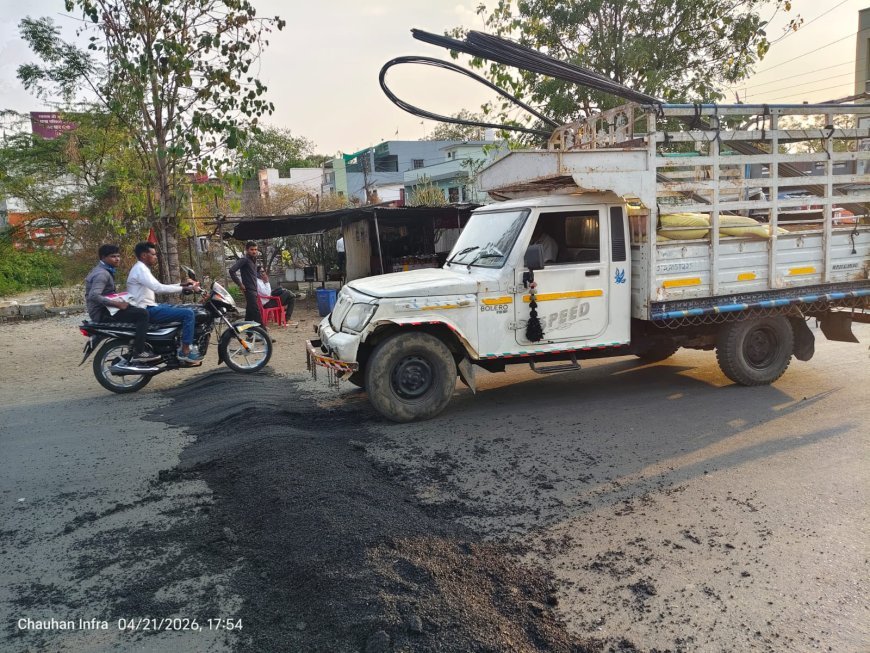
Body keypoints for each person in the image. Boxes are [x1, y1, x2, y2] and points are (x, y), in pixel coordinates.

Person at [126, 242, 203, 365]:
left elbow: (159, 286)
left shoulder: (141, 268)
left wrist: (181, 285)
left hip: (151, 306)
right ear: (144, 255)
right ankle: (185, 350)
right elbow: (159, 289)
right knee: (188, 314)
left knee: (180, 307)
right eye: (153, 254)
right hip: (146, 310)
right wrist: (183, 289)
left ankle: (177, 342)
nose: (156, 257)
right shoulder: (140, 269)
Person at [84, 244, 159, 366]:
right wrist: (117, 304)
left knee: (136, 310)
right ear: (103, 257)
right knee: (142, 314)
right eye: (113, 256)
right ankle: (139, 352)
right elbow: (94, 295)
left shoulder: (103, 270)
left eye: (118, 256)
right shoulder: (102, 274)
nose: (117, 259)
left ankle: (135, 342)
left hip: (105, 309)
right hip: (102, 313)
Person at [229, 241, 260, 323]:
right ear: (247, 250)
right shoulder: (244, 259)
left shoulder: (254, 260)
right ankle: (263, 331)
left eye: (255, 249)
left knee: (250, 311)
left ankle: (248, 332)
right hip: (248, 289)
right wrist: (240, 284)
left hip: (254, 288)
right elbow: (232, 271)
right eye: (252, 249)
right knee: (255, 310)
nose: (254, 251)